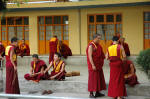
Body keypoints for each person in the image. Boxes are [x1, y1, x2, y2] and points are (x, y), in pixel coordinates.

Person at [86, 34, 106, 98]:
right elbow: (90, 56)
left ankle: (97, 92)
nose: (100, 40)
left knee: (99, 78)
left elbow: (102, 55)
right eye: (98, 38)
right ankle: (91, 93)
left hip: (98, 65)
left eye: (100, 38)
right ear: (94, 38)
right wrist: (93, 65)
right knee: (92, 79)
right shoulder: (91, 46)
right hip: (93, 66)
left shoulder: (99, 46)